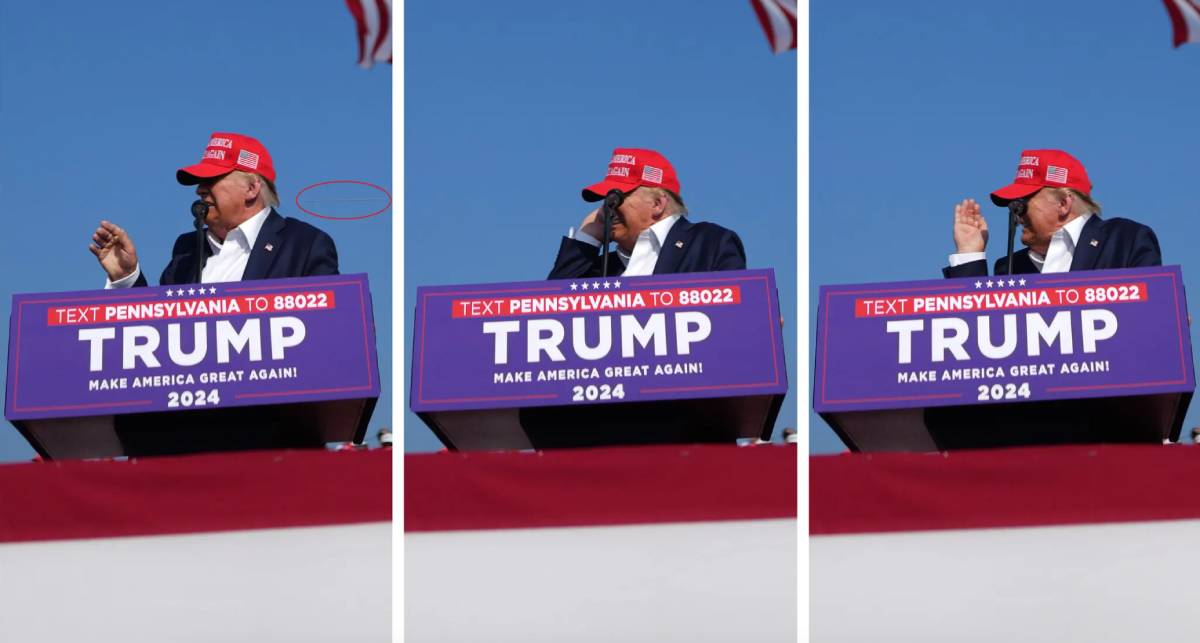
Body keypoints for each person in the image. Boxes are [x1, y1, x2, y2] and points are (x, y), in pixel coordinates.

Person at [90, 132, 338, 287]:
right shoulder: (187, 250)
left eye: (212, 180)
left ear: (252, 188)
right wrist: (126, 277)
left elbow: (333, 324)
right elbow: (158, 332)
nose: (200, 190)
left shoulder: (304, 244)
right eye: (199, 183)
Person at [943, 149, 1160, 278]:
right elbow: (978, 328)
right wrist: (969, 253)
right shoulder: (1010, 267)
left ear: (1064, 203)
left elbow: (1152, 312)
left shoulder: (1124, 240)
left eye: (1023, 201)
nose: (1016, 212)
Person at [548, 148, 745, 279]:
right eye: (605, 200)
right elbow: (547, 311)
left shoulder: (709, 243)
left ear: (657, 204)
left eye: (616, 198)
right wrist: (586, 240)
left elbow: (736, 314)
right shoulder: (602, 269)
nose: (607, 208)